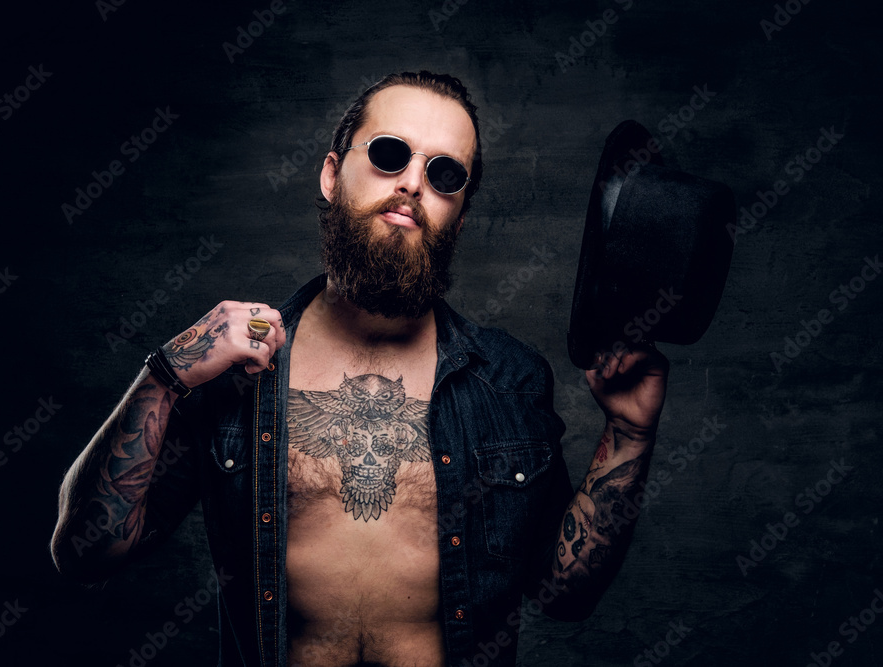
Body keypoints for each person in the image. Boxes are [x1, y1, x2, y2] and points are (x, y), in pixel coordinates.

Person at [51, 71, 668, 667]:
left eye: (445, 173)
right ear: (330, 173)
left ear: (460, 209)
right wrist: (166, 374)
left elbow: (566, 596)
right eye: (390, 153)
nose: (412, 184)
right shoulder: (234, 372)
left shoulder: (509, 380)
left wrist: (630, 434)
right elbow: (87, 553)